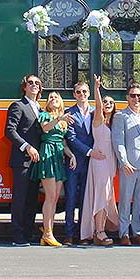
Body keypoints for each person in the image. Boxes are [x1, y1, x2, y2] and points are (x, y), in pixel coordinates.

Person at [32, 92, 77, 247]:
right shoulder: (45, 116)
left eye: (56, 98)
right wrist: (58, 118)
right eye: (50, 98)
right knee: (50, 196)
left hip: (58, 155)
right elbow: (45, 129)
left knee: (56, 197)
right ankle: (47, 232)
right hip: (48, 153)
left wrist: (71, 156)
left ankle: (47, 232)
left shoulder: (63, 122)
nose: (53, 99)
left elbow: (63, 143)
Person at [4, 75, 43, 246]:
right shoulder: (18, 106)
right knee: (20, 198)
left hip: (36, 161)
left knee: (32, 199)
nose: (34, 85)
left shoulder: (40, 109)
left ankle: (28, 232)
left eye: (37, 83)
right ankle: (17, 236)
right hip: (22, 160)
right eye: (30, 83)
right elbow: (9, 131)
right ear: (24, 87)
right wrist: (26, 146)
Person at [80, 76, 119, 246]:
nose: (107, 104)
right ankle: (99, 231)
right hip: (100, 160)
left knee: (107, 195)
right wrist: (96, 89)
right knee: (101, 195)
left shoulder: (114, 123)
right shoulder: (98, 120)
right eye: (105, 102)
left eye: (111, 102)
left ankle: (100, 228)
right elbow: (97, 105)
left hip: (110, 161)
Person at [111, 80, 140, 245]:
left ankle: (138, 232)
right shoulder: (121, 116)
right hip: (129, 164)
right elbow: (118, 140)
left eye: (139, 96)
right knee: (125, 199)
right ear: (127, 97)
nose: (136, 99)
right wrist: (124, 162)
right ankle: (124, 233)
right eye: (133, 96)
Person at [62, 80, 100, 245]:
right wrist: (89, 151)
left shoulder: (94, 112)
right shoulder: (69, 113)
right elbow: (70, 137)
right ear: (74, 95)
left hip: (91, 163)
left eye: (84, 91)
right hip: (74, 161)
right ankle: (69, 234)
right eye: (79, 92)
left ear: (89, 93)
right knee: (70, 198)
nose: (82, 95)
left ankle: (84, 233)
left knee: (86, 198)